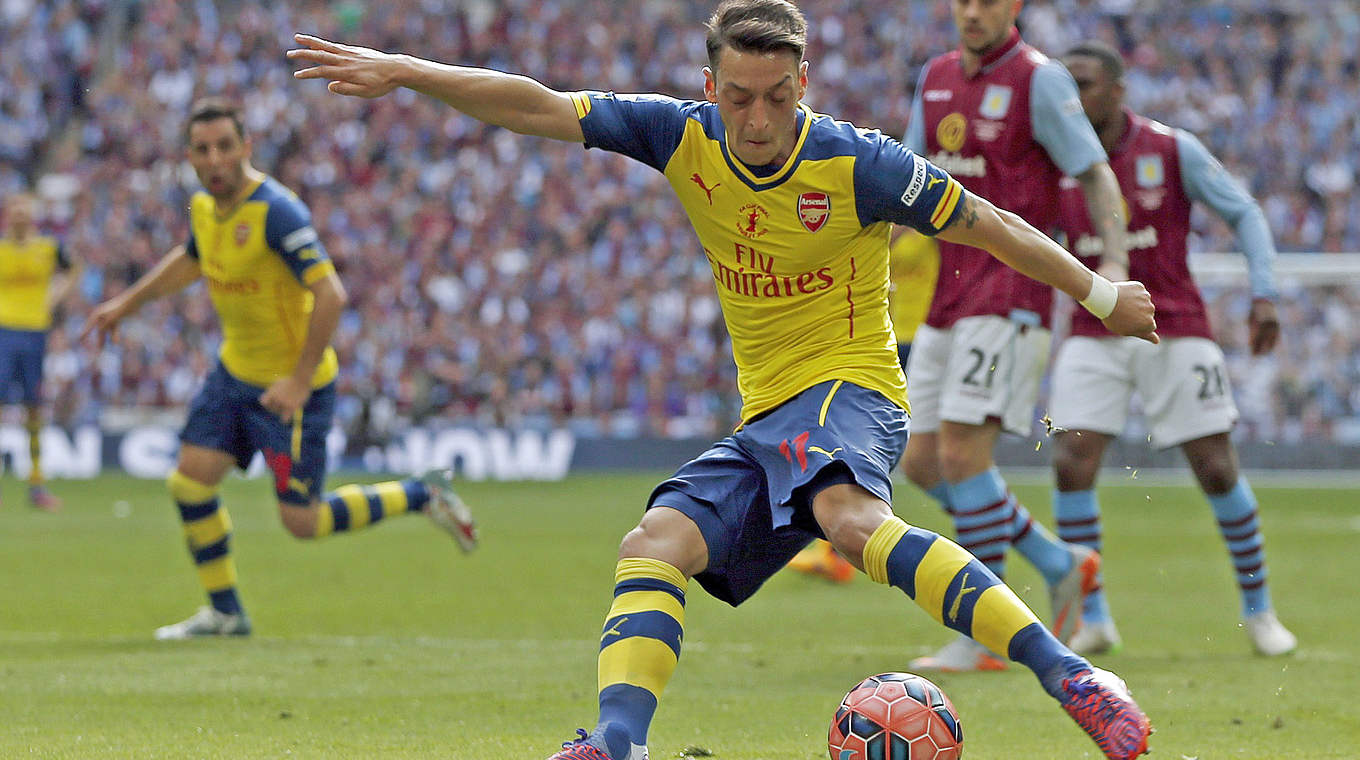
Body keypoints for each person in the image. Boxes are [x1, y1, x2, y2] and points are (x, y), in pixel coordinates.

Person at [288, 2, 1156, 757]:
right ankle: (618, 743)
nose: (757, 118)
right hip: (768, 413)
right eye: (738, 97)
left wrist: (1101, 291)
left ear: (804, 84)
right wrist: (407, 71)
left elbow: (989, 222)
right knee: (653, 546)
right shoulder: (679, 134)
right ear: (711, 88)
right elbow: (536, 104)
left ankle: (1073, 677)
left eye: (777, 98)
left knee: (849, 522)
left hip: (852, 389)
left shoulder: (859, 164)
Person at [81, 99, 479, 640]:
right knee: (189, 484)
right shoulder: (204, 207)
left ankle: (422, 493)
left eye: (225, 146)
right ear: (189, 157)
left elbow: (331, 296)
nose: (215, 158)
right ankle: (225, 614)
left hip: (292, 393)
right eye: (202, 149)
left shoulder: (276, 211)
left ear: (246, 148)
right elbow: (193, 258)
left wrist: (296, 380)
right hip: (233, 377)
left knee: (303, 521)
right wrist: (125, 304)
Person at [898, 0, 1129, 672]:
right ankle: (1060, 561)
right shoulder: (936, 75)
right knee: (920, 462)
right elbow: (906, 177)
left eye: (988, 1)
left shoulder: (1040, 78)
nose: (973, 12)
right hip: (946, 292)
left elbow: (1093, 169)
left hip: (1011, 294)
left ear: (1014, 7)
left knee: (966, 456)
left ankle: (983, 634)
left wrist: (1111, 259)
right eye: (963, 0)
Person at [1049, 40, 1296, 657]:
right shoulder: (1053, 159)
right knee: (1070, 461)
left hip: (1174, 324)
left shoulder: (1171, 148)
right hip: (1094, 329)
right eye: (1066, 84)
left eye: (1086, 84)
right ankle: (1094, 615)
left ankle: (1261, 610)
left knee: (1215, 468)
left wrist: (1263, 293)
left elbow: (1244, 213)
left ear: (1118, 90)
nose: (1075, 97)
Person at [786, 229, 938, 584]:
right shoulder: (877, 222)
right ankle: (834, 549)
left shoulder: (925, 223)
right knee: (849, 441)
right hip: (883, 340)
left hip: (923, 339)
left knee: (908, 453)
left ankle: (844, 546)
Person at [0, 191, 79, 512]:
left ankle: (36, 485)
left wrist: (55, 298)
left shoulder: (48, 248)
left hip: (34, 333)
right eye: (14, 209)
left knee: (34, 407)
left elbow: (74, 269)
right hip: (4, 331)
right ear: (8, 214)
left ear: (31, 214)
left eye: (23, 209)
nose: (19, 214)